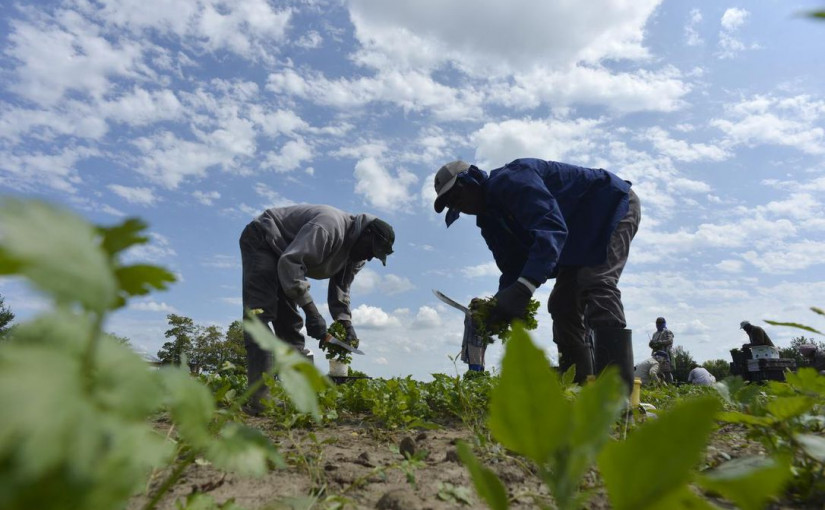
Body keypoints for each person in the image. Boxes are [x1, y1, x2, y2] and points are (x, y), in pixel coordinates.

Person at [432, 158, 641, 387]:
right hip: (575, 238)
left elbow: (550, 227)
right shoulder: (488, 221)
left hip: (609, 209)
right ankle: (578, 385)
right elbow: (513, 266)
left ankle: (618, 391)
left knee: (596, 281)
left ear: (471, 181)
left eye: (457, 195)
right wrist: (500, 303)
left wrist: (524, 288)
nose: (458, 205)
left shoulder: (513, 179)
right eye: (451, 203)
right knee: (562, 304)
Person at [240, 204, 395, 413]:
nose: (368, 257)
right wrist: (312, 312)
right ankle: (261, 398)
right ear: (365, 233)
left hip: (286, 257)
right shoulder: (328, 227)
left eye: (373, 256)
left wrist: (345, 323)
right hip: (265, 239)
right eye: (370, 251)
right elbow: (292, 263)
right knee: (260, 315)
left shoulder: (357, 255)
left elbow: (341, 287)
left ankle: (301, 395)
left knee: (290, 324)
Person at [649, 317, 674, 382]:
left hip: (665, 355)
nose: (658, 324)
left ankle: (670, 386)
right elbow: (653, 344)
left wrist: (660, 342)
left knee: (666, 372)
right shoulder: (655, 334)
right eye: (657, 323)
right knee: (657, 372)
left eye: (660, 323)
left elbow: (670, 341)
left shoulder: (667, 331)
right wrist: (651, 344)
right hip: (655, 356)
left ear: (664, 323)